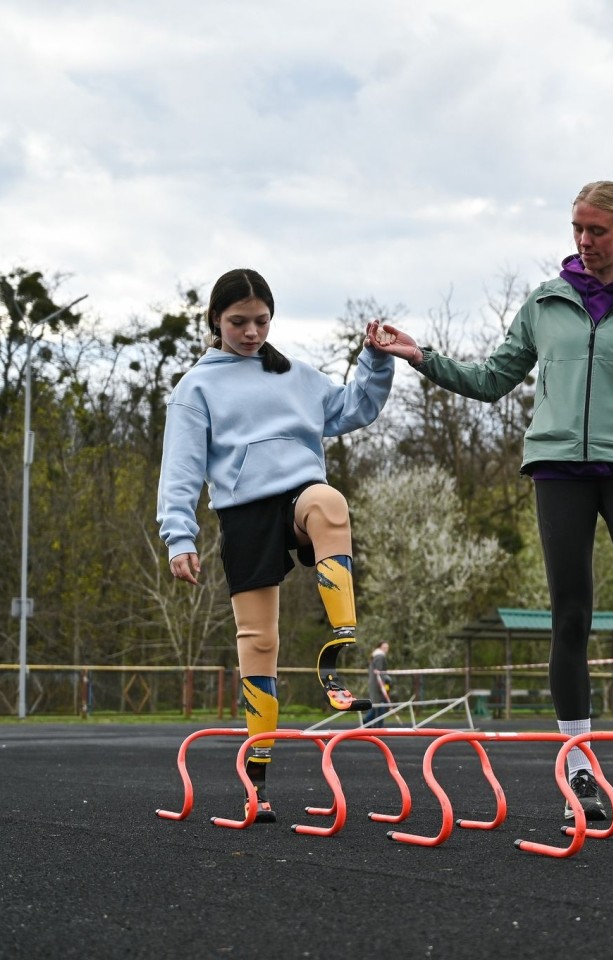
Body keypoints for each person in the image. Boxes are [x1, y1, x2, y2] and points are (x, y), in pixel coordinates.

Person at [370, 180, 613, 822]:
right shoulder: (546, 304)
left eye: (598, 231)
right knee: (571, 617)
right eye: (578, 230)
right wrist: (420, 356)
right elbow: (490, 380)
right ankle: (579, 774)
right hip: (559, 469)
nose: (585, 242)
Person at [157, 267, 394, 822]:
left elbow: (354, 407)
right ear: (215, 321)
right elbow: (182, 469)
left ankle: (340, 641)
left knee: (329, 504)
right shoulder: (196, 387)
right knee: (258, 643)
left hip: (297, 498)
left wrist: (376, 359)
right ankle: (257, 778)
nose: (251, 332)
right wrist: (178, 537)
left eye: (261, 321)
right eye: (238, 322)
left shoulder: (298, 376)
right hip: (244, 513)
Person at [365, 641, 394, 727]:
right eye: (384, 647)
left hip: (376, 685)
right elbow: (379, 672)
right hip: (379, 686)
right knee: (380, 705)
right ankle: (373, 724)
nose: (386, 650)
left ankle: (368, 722)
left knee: (376, 705)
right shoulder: (380, 657)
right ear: (380, 648)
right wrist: (384, 682)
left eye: (387, 648)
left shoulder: (376, 656)